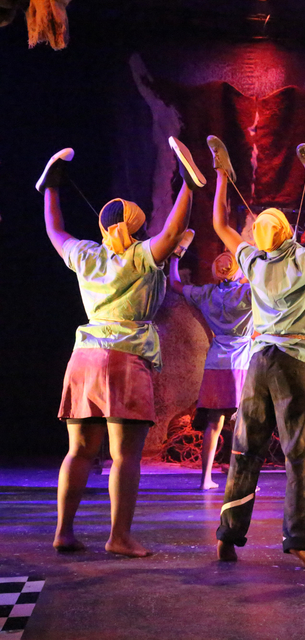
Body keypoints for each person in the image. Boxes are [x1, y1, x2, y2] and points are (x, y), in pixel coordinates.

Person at [41, 137, 205, 557]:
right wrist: (188, 184)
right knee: (124, 457)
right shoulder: (138, 257)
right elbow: (170, 233)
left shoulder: (87, 255)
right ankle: (119, 536)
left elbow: (55, 230)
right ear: (135, 226)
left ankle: (63, 532)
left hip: (84, 358)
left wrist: (54, 187)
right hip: (124, 359)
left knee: (78, 450)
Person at [211, 137, 305, 570]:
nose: (259, 229)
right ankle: (294, 539)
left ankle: (232, 535)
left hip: (262, 362)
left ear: (282, 231)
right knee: (296, 453)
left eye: (264, 225)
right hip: (291, 363)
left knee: (246, 449)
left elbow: (221, 223)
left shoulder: (258, 261)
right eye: (259, 226)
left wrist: (222, 178)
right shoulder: (299, 258)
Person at [169, 243, 252, 492]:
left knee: (214, 424)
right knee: (243, 424)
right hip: (242, 363)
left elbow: (175, 284)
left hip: (216, 362)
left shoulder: (207, 294)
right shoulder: (248, 293)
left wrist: (175, 258)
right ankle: (241, 479)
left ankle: (205, 478)